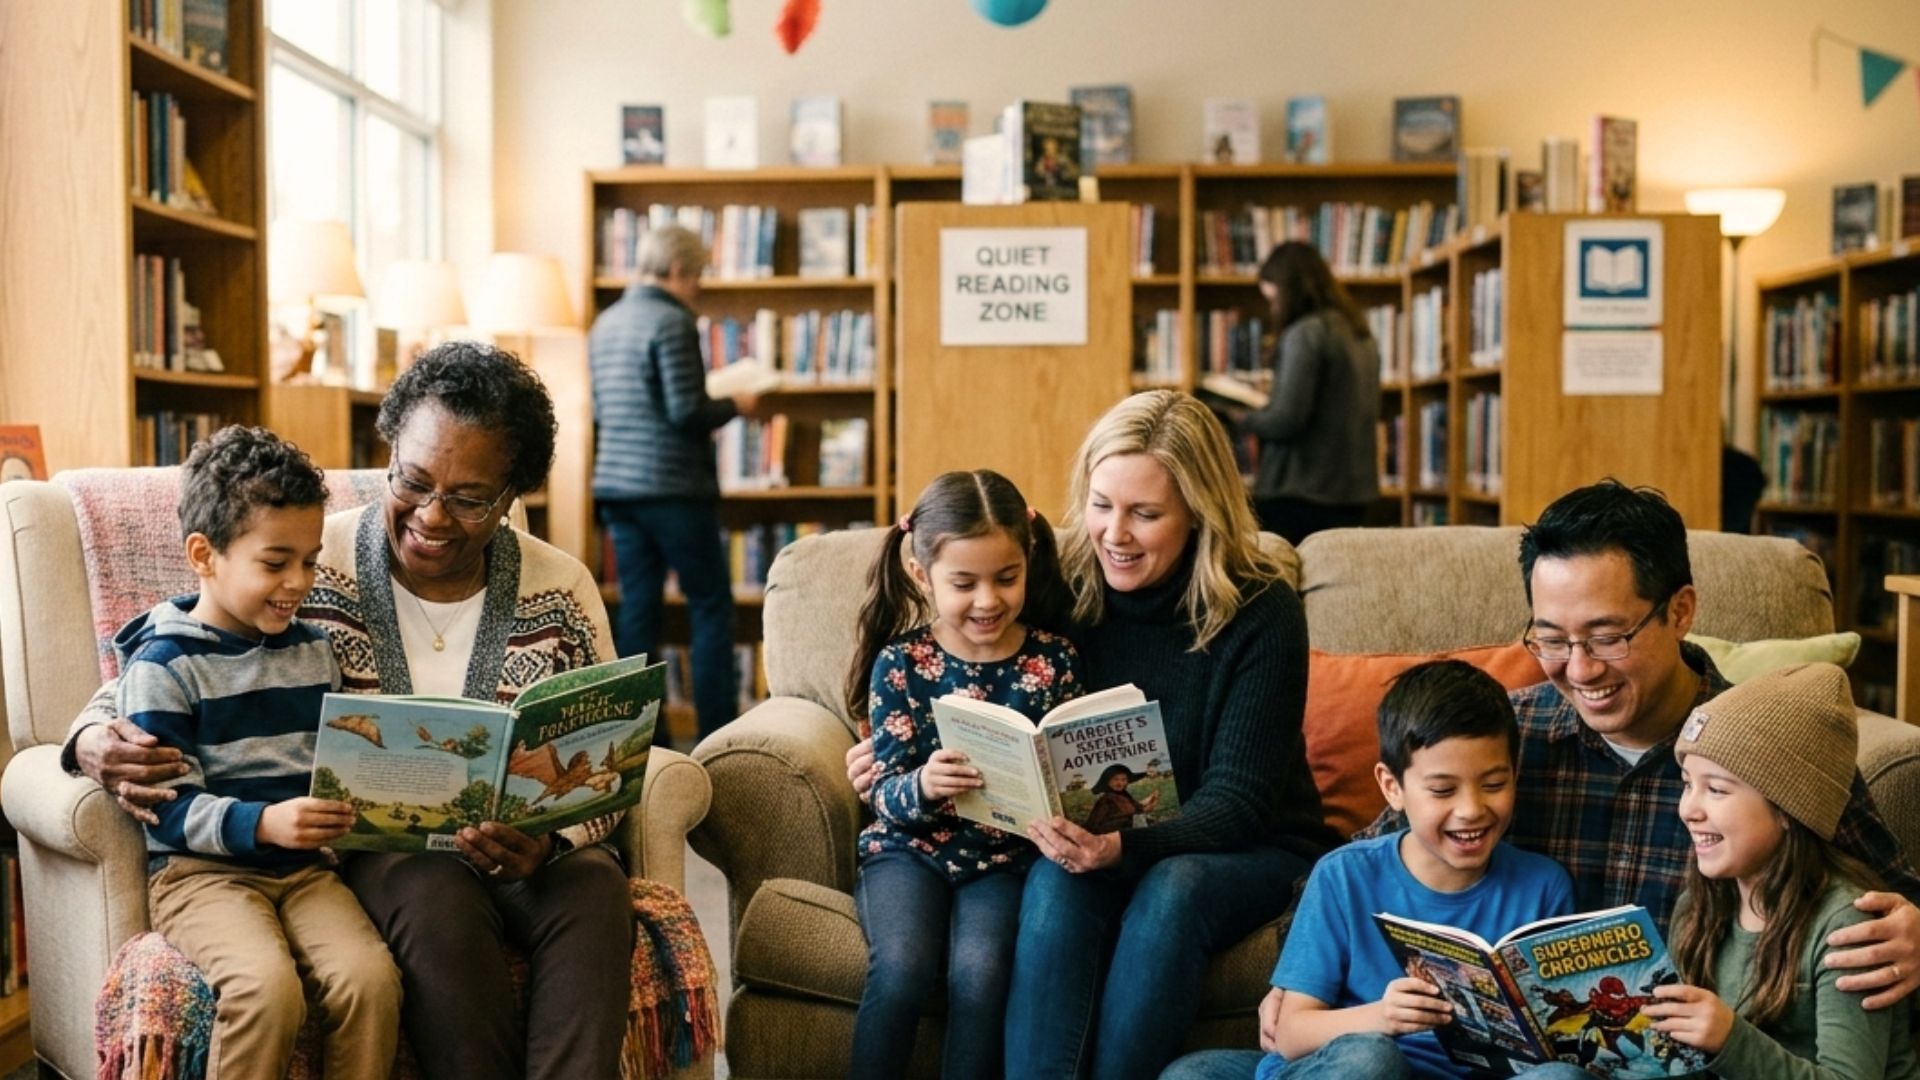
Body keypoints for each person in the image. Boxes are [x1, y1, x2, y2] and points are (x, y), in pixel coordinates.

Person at [69, 342, 635, 1080]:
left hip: (525, 850)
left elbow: (610, 747)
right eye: (414, 480)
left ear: (510, 495)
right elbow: (167, 658)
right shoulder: (308, 559)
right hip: (389, 855)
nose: (432, 515)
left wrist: (554, 842)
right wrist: (87, 740)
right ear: (390, 450)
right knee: (432, 892)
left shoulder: (560, 585)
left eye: (469, 498)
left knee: (594, 886)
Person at [1365, 479, 1920, 1008]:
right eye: (1553, 639)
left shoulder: (1769, 745)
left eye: (1608, 638)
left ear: (1680, 612)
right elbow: (1364, 865)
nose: (1580, 670)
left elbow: (1890, 897)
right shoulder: (1499, 740)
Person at [992, 389, 1335, 1079]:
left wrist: (1121, 847)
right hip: (1097, 841)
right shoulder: (1064, 589)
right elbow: (961, 657)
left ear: (1197, 514)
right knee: (1055, 886)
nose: (1114, 533)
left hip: (1250, 847)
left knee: (1172, 889)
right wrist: (891, 748)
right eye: (1100, 505)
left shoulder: (1259, 609)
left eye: (1145, 514)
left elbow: (1239, 802)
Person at [118, 426, 400, 1078]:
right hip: (200, 875)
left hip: (305, 871)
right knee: (266, 990)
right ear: (204, 554)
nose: (298, 581)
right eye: (275, 563)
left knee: (371, 982)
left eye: (309, 559)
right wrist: (264, 822)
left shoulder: (313, 652)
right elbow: (164, 809)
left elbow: (337, 764)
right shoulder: (165, 663)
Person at [1162, 661, 1585, 1080]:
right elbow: (1289, 1034)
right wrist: (1383, 1016)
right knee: (1365, 1060)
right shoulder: (1344, 875)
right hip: (1354, 1067)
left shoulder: (1544, 886)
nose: (1472, 810)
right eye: (1442, 790)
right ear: (1392, 788)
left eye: (1494, 784)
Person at [846, 469, 1081, 1079]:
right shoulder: (900, 663)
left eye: (1006, 578)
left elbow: (1070, 766)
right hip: (907, 851)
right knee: (901, 967)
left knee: (981, 975)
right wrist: (923, 783)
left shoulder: (1054, 660)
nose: (987, 600)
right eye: (964, 583)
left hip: (1004, 859)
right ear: (923, 576)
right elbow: (886, 796)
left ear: (1028, 561)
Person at [1647, 662, 1920, 1078]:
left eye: (1716, 789)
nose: (1689, 809)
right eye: (1688, 783)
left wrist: (1728, 1038)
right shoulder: (1697, 906)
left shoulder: (1847, 925)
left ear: (1790, 810)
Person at [589, 222, 758, 742]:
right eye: (699, 276)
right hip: (673, 489)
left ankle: (644, 740)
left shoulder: (607, 322)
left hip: (617, 486)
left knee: (637, 615)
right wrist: (737, 403)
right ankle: (719, 738)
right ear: (680, 270)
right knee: (710, 608)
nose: (699, 288)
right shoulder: (672, 321)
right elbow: (687, 410)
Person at [1235, 240, 1381, 545]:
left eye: (1274, 300)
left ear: (1289, 291)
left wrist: (1244, 418)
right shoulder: (1360, 333)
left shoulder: (1306, 334)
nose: (1274, 308)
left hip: (1300, 494)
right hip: (1353, 493)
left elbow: (1287, 419)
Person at [1082, 763, 1158, 835]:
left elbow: (1134, 805)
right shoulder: (1106, 799)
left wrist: (1151, 799)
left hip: (1125, 829)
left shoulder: (1122, 793)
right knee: (1138, 820)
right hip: (1111, 834)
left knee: (1147, 821)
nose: (1120, 783)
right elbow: (1095, 825)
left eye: (1123, 780)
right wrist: (1145, 809)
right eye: (1115, 779)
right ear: (1108, 781)